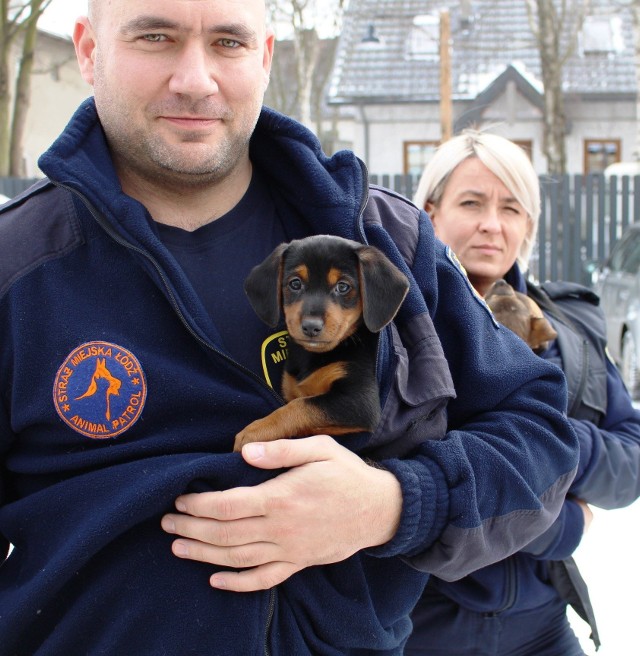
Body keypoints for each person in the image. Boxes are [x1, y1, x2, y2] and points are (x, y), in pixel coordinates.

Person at [0, 3, 578, 655]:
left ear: (266, 55)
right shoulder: (16, 270)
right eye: (155, 37)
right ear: (87, 50)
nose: (195, 78)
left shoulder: (386, 242)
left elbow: (541, 439)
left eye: (228, 41)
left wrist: (392, 504)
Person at [407, 129, 640, 656]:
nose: (492, 223)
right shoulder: (398, 327)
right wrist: (559, 524)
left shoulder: (569, 330)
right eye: (472, 203)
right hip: (420, 627)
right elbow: (404, 470)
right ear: (430, 211)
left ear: (528, 225)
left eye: (511, 207)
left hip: (543, 628)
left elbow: (630, 461)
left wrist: (543, 438)